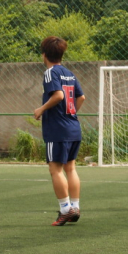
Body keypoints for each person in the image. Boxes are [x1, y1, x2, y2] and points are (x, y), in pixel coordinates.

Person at [33, 36, 85, 226]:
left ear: (44, 55)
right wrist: (70, 113)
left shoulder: (50, 73)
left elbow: (58, 95)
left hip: (57, 130)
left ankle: (65, 209)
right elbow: (81, 97)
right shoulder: (69, 73)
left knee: (55, 169)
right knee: (70, 168)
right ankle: (75, 207)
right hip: (73, 128)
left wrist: (41, 109)